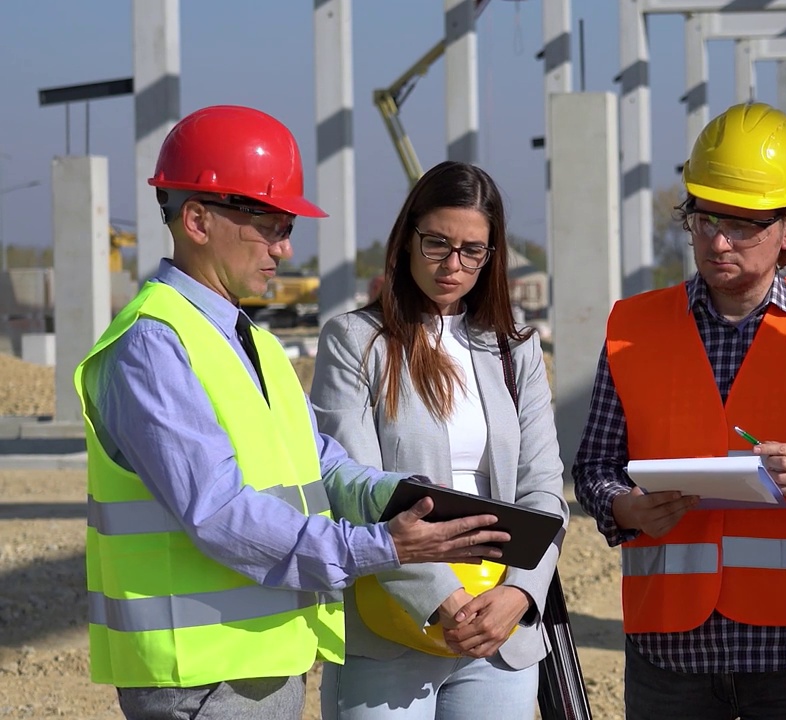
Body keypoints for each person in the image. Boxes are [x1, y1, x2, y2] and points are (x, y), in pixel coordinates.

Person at [75, 105, 511, 720]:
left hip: (259, 662)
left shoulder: (250, 340)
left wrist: (405, 495)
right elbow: (219, 511)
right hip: (197, 677)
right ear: (197, 219)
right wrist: (381, 545)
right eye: (272, 224)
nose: (285, 247)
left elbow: (322, 463)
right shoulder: (154, 344)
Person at [572, 102, 786, 719]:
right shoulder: (632, 328)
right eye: (704, 219)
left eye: (743, 223)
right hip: (669, 655)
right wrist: (626, 506)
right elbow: (595, 464)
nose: (718, 241)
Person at [310, 160, 569, 719]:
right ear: (406, 241)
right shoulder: (354, 341)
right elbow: (351, 488)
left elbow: (544, 488)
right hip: (390, 630)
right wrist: (442, 600)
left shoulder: (514, 349)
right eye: (437, 244)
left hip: (499, 634)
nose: (453, 265)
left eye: (472, 250)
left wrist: (520, 595)